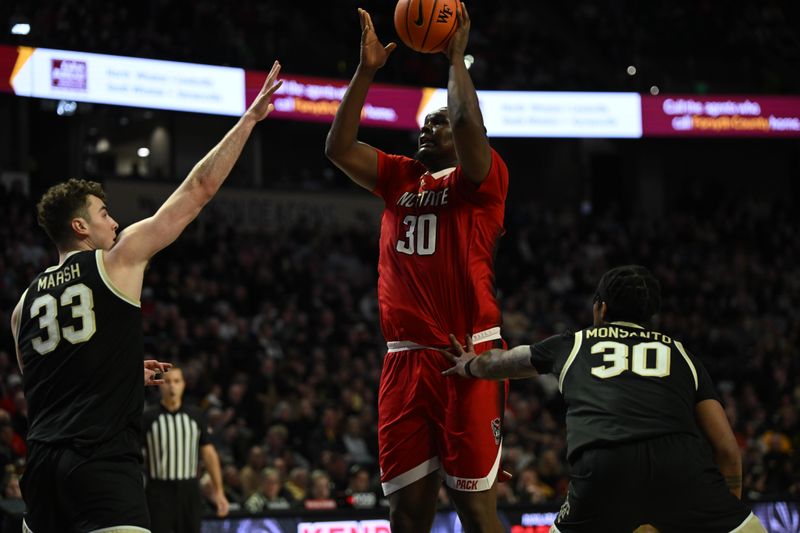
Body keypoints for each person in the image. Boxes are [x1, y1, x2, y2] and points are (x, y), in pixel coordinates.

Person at [9, 61, 283, 533]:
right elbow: (198, 189)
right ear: (80, 228)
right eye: (103, 214)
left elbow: (46, 379)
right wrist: (249, 120)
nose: (114, 223)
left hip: (42, 472)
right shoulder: (117, 260)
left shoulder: (22, 306)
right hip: (99, 463)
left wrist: (118, 367)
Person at [325, 5, 508, 532]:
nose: (427, 129)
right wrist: (366, 71)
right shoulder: (400, 178)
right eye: (424, 123)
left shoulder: (482, 181)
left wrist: (456, 59)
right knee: (405, 515)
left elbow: (470, 120)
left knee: (475, 508)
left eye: (440, 123)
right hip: (404, 362)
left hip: (467, 355)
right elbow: (337, 147)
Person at [444, 265, 767, 533]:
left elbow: (503, 362)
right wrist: (723, 514)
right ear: (651, 315)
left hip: (604, 466)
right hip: (680, 467)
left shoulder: (574, 343)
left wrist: (470, 364)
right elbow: (726, 448)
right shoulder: (681, 354)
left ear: (601, 308)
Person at [142, 367, 229, 532]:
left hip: (189, 490)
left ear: (183, 384)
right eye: (167, 381)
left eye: (176, 381)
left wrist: (219, 491)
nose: (172, 387)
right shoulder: (148, 417)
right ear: (160, 385)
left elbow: (209, 453)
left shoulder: (196, 415)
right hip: (158, 491)